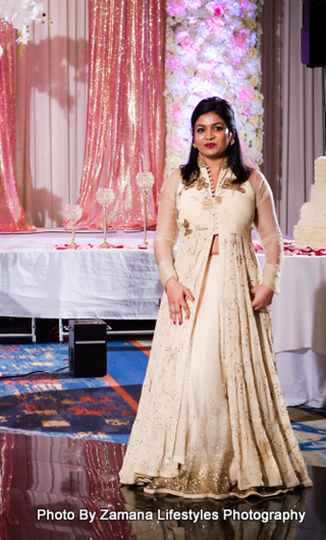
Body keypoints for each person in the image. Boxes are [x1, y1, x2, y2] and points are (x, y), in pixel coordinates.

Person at [118, 97, 312, 498]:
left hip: (238, 286)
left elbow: (272, 237)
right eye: (201, 129)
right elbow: (165, 237)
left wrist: (269, 281)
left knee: (231, 371)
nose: (209, 136)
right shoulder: (179, 180)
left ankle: (236, 462)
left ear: (232, 133)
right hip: (189, 286)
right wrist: (170, 281)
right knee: (192, 374)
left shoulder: (253, 181)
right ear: (192, 138)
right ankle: (183, 458)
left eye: (217, 128)